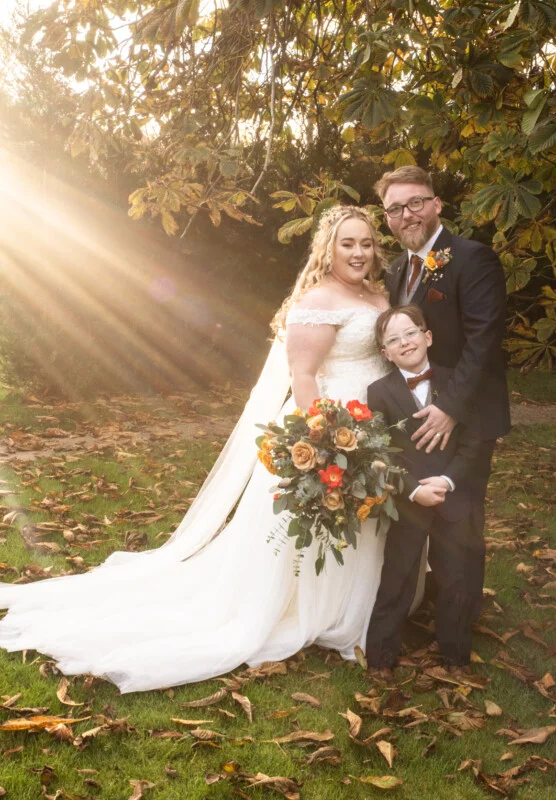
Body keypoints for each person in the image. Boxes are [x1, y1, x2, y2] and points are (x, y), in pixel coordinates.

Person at [0, 205, 426, 693]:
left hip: (379, 424)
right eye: (346, 243)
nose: (358, 252)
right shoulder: (318, 298)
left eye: (366, 243)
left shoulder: (378, 294)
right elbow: (305, 375)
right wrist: (324, 440)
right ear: (327, 249)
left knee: (374, 520)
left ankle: (368, 606)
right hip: (335, 424)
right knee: (332, 524)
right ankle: (317, 611)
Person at [376, 166, 511, 660]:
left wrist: (450, 408)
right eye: (395, 208)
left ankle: (457, 630)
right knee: (417, 512)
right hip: (417, 415)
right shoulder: (396, 270)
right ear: (387, 218)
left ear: (436, 204)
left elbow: (483, 341)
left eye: (415, 203)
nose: (406, 214)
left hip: (468, 415)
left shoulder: (473, 258)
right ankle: (420, 604)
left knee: (462, 519)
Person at [365, 305, 481, 679]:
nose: (404, 342)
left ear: (427, 336)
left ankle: (456, 655)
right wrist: (412, 489)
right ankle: (381, 657)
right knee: (397, 575)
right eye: (393, 340)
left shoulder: (455, 383)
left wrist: (448, 482)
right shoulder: (379, 392)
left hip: (452, 495)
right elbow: (377, 452)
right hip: (408, 500)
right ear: (385, 353)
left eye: (410, 333)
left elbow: (474, 443)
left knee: (456, 578)